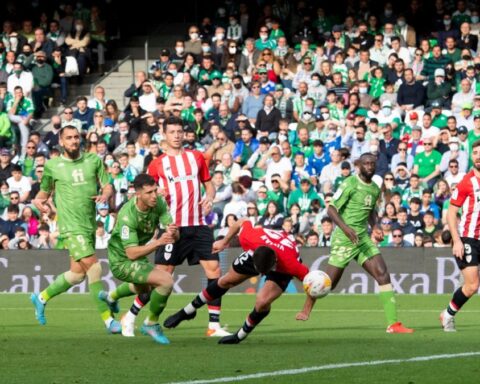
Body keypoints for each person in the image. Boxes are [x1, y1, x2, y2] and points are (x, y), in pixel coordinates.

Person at [120, 117, 230, 337]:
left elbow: (209, 185)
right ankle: (130, 315)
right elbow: (147, 196)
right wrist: (158, 196)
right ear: (165, 136)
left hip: (199, 225)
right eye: (172, 132)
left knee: (215, 272)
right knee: (162, 277)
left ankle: (214, 326)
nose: (177, 135)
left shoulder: (196, 158)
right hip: (172, 227)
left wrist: (209, 198)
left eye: (180, 131)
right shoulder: (157, 164)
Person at [298, 153, 414, 333]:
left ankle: (393, 324)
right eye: (366, 163)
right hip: (344, 239)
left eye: (372, 164)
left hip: (362, 239)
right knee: (328, 283)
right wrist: (345, 228)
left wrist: (375, 226)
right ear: (359, 165)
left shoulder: (375, 188)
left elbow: (370, 211)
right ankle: (307, 307)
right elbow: (331, 208)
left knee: (383, 275)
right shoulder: (350, 183)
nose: (369, 166)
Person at [29, 125, 121, 333]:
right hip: (70, 226)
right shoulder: (53, 165)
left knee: (77, 274)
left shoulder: (94, 160)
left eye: (76, 137)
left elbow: (107, 185)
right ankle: (109, 321)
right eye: (68, 138)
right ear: (61, 142)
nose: (73, 141)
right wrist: (38, 202)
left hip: (89, 223)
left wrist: (105, 195)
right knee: (95, 268)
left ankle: (41, 298)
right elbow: (43, 194)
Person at [163, 218, 313, 344]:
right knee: (224, 281)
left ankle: (240, 335)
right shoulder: (249, 238)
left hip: (283, 259)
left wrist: (306, 310)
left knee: (262, 302)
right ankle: (187, 311)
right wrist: (224, 242)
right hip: (261, 249)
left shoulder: (291, 264)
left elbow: (312, 284)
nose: (260, 275)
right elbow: (242, 221)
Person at [99, 174, 178, 343]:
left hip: (139, 254)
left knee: (144, 289)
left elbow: (174, 234)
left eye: (155, 190)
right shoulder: (127, 215)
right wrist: (158, 243)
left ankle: (111, 297)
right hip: (122, 260)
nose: (154, 196)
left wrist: (173, 231)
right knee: (165, 281)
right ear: (138, 194)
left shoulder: (159, 203)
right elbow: (131, 253)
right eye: (149, 192)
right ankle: (151, 323)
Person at [440, 139, 480, 332]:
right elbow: (451, 212)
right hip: (468, 238)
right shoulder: (467, 182)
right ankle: (447, 314)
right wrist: (456, 241)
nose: (478, 156)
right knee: (472, 285)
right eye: (475, 153)